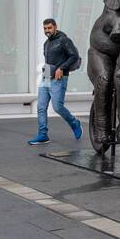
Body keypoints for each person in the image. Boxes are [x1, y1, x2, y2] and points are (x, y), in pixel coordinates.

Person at [28, 18, 83, 146]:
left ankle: (75, 123)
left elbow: (74, 55)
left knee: (57, 107)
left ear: (55, 27)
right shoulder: (47, 43)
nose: (47, 31)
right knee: (41, 107)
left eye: (49, 28)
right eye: (45, 28)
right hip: (46, 75)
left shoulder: (64, 40)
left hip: (59, 77)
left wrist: (62, 68)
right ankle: (43, 135)